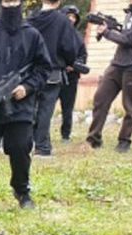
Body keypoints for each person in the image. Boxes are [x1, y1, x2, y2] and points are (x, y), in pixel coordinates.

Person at [0, 0, 52, 220]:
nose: (11, 5)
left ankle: (22, 192)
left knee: (21, 149)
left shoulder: (32, 35)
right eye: (7, 0)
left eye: (15, 1)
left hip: (21, 107)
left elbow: (44, 68)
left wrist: (27, 87)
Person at [86, 0, 132, 153]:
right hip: (118, 63)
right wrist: (110, 29)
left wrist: (107, 32)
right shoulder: (131, 12)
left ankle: (124, 142)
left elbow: (129, 39)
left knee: (130, 106)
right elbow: (124, 34)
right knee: (100, 98)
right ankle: (93, 139)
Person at [27, 0, 82, 157]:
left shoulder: (31, 19)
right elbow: (69, 48)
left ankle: (27, 143)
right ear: (58, 2)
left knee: (30, 108)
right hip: (52, 71)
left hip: (32, 71)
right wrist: (69, 61)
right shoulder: (62, 21)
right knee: (45, 110)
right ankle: (42, 147)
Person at [58, 5, 87, 142]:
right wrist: (63, 65)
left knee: (68, 108)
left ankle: (66, 134)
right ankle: (40, 134)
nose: (71, 19)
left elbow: (83, 55)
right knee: (45, 107)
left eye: (74, 17)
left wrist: (75, 66)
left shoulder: (78, 37)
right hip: (55, 75)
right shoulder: (55, 33)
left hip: (71, 77)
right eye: (68, 16)